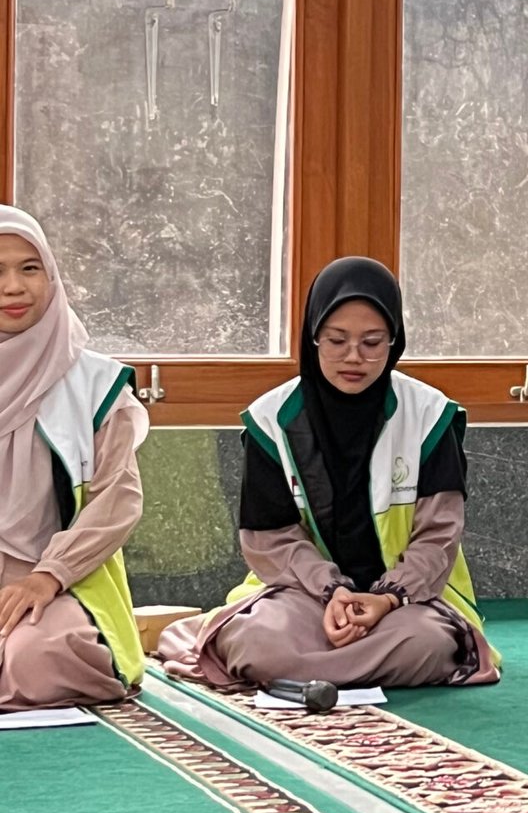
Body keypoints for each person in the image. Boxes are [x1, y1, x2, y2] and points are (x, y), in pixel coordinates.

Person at [161, 259, 497, 693]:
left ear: (394, 342)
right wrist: (331, 592)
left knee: (428, 642)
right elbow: (270, 540)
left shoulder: (429, 416)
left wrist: (385, 598)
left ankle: (304, 672)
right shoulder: (272, 420)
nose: (353, 357)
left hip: (407, 602)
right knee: (258, 642)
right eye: (337, 340)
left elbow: (438, 537)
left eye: (372, 342)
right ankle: (338, 665)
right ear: (313, 337)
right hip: (304, 594)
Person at [0, 207, 146, 712]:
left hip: (62, 582)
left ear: (52, 275)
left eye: (30, 268)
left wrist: (49, 574)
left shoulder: (95, 386)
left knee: (37, 657)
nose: (14, 287)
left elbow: (117, 501)